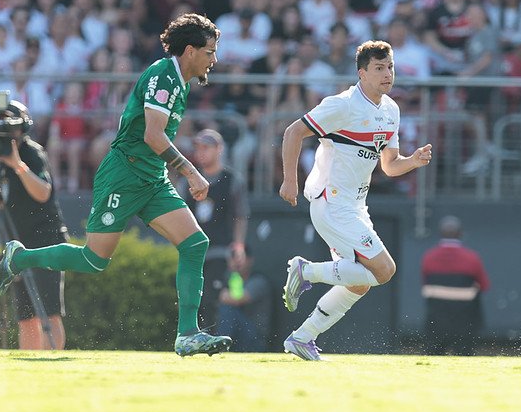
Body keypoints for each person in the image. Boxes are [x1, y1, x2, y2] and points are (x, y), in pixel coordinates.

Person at [0, 13, 233, 357]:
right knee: (94, 260)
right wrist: (191, 171)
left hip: (151, 178)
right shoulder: (163, 76)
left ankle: (187, 335)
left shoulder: (179, 81)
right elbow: (152, 134)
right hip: (123, 173)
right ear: (191, 50)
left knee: (195, 244)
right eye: (210, 51)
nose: (215, 59)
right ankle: (20, 258)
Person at [279, 40, 432, 360]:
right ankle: (305, 271)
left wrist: (413, 161)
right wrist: (289, 180)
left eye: (390, 67)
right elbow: (293, 132)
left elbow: (389, 166)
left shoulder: (391, 110)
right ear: (362, 73)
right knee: (385, 270)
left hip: (355, 206)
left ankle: (302, 338)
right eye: (379, 68)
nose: (387, 74)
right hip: (330, 201)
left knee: (359, 284)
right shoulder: (342, 104)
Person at [0, 101, 69, 350]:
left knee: (48, 312)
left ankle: (52, 365)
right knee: (25, 317)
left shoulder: (32, 153)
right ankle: (30, 368)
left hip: (45, 240)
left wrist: (17, 165)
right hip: (18, 243)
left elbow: (43, 192)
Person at [178, 128, 249, 331]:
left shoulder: (233, 180)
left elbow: (240, 216)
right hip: (193, 250)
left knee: (210, 297)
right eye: (198, 147)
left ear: (219, 149)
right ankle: (192, 336)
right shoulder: (187, 181)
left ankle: (209, 337)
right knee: (190, 297)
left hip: (219, 248)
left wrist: (238, 246)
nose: (201, 152)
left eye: (206, 147)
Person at [421, 215, 490, 356]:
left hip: (436, 321)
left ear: (441, 233)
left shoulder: (429, 257)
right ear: (460, 234)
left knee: (433, 356)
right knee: (464, 355)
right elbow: (484, 286)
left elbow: (425, 284)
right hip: (465, 322)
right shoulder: (472, 258)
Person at [217, 250, 272, 352]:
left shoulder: (258, 281)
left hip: (255, 339)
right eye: (233, 258)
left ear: (250, 260)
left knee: (227, 310)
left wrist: (223, 295)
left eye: (240, 257)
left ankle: (220, 349)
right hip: (235, 339)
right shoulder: (228, 278)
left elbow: (237, 300)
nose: (236, 262)